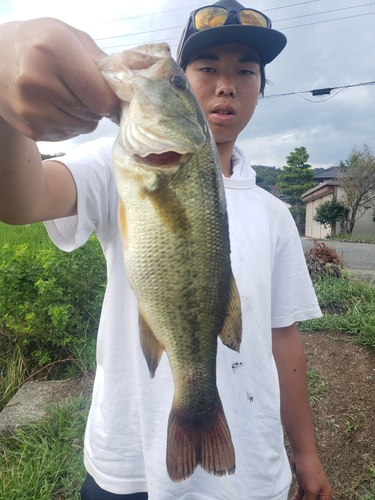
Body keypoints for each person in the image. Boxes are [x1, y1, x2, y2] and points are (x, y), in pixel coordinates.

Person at [0, 0, 333, 498]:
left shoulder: (274, 214)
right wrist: (5, 100)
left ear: (261, 88)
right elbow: (22, 199)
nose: (226, 84)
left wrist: (306, 455)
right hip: (128, 465)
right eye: (201, 70)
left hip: (252, 476)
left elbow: (282, 338)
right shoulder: (119, 163)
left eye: (246, 70)